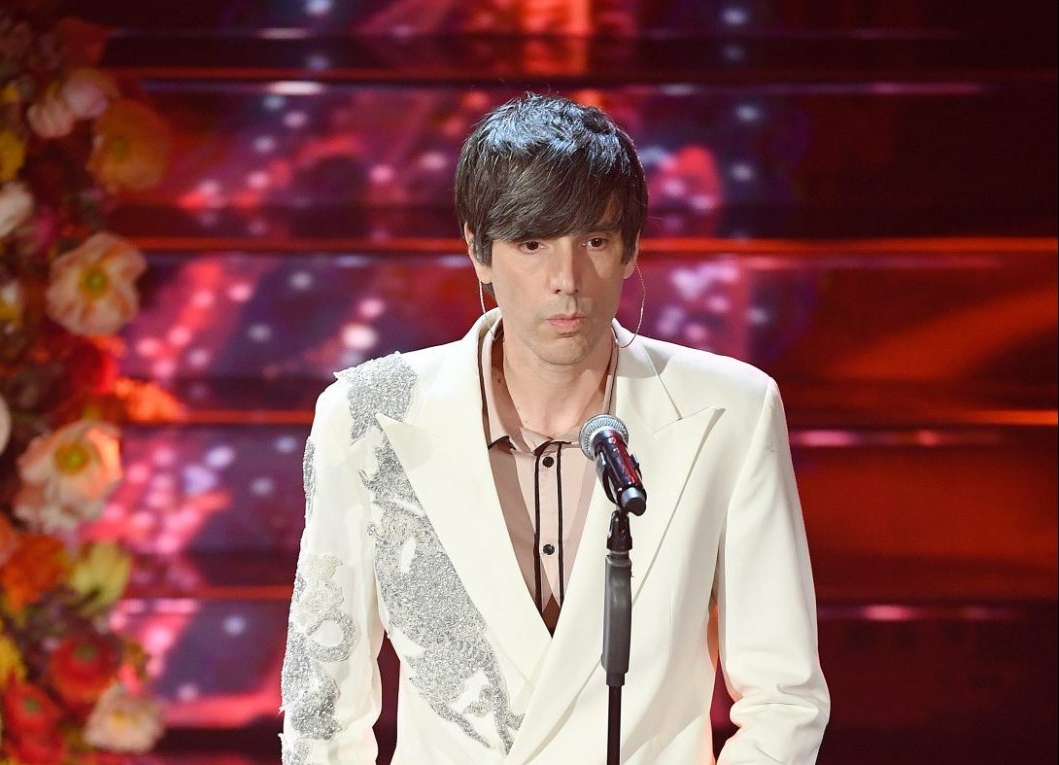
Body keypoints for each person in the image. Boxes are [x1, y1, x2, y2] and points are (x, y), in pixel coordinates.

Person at [280, 93, 830, 765]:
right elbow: (322, 702)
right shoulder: (367, 413)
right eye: (532, 243)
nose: (565, 280)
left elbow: (784, 697)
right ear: (479, 251)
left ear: (630, 249)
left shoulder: (730, 410)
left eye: (593, 241)